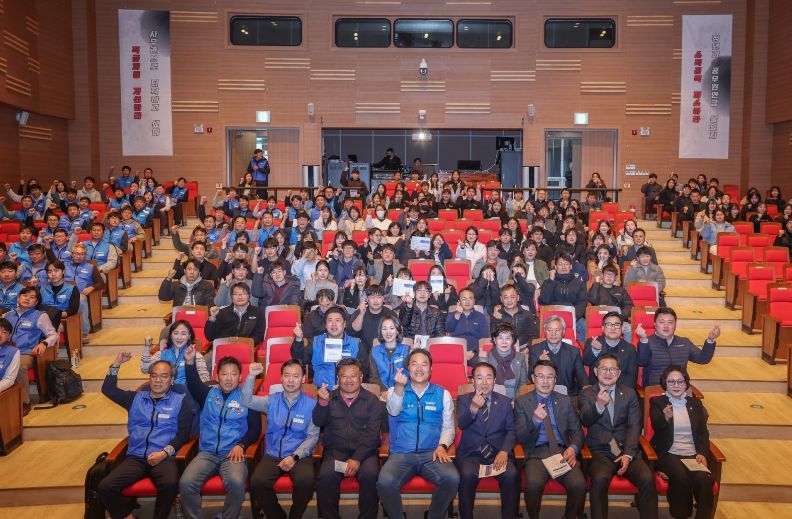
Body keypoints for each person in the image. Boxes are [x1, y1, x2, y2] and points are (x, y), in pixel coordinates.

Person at [98, 351, 194, 519]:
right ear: (149, 378)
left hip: (164, 456)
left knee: (169, 484)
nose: (158, 380)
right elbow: (108, 389)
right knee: (106, 486)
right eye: (154, 376)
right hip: (136, 457)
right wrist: (117, 363)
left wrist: (164, 453)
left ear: (171, 380)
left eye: (163, 376)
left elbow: (183, 434)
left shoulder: (181, 401)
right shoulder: (135, 399)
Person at [178, 347, 262, 519]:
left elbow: (255, 429)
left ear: (240, 377)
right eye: (224, 374)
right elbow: (193, 383)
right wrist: (190, 361)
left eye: (233, 374)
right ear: (217, 377)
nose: (229, 378)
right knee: (186, 483)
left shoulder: (247, 398)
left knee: (236, 483)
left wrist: (242, 445)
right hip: (207, 453)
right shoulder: (207, 394)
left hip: (233, 454)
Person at [377, 349, 459, 519]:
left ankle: (434, 516)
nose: (419, 369)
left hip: (432, 454)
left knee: (452, 478)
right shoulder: (395, 391)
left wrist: (442, 445)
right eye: (414, 364)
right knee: (385, 481)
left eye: (424, 364)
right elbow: (393, 410)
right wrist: (399, 388)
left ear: (431, 369)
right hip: (402, 454)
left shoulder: (442, 394)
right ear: (408, 368)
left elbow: (449, 427)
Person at [579, 353, 658, 519]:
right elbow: (585, 420)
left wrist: (628, 454)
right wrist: (599, 406)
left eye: (612, 369)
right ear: (596, 371)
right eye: (604, 369)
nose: (608, 373)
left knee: (647, 478)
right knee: (599, 479)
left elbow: (634, 426)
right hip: (600, 452)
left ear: (619, 373)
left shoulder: (629, 393)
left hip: (626, 450)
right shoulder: (587, 394)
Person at [242, 359, 319, 519]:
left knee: (306, 481)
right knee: (257, 481)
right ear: (281, 378)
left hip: (299, 455)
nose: (291, 380)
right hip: (273, 454)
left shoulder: (311, 405)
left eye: (295, 376)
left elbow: (313, 436)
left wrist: (295, 457)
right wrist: (250, 376)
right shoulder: (271, 400)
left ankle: (295, 516)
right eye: (287, 375)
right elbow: (246, 400)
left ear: (303, 379)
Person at [313, 359, 385, 519]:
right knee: (326, 477)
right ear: (337, 378)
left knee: (371, 475)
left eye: (353, 376)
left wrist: (357, 459)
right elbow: (318, 422)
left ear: (361, 377)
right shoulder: (329, 397)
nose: (348, 380)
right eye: (344, 376)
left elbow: (373, 435)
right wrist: (322, 402)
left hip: (365, 454)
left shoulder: (372, 401)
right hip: (335, 453)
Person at [514, 360, 586, 519]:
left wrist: (573, 448)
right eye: (541, 376)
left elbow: (577, 431)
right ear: (533, 378)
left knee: (579, 485)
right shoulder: (522, 402)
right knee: (533, 485)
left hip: (562, 453)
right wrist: (535, 420)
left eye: (550, 377)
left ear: (555, 379)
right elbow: (520, 436)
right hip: (536, 454)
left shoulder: (565, 400)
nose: (545, 381)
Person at [455, 362, 519, 519]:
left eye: (488, 377)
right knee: (467, 475)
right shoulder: (464, 400)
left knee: (511, 474)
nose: (484, 382)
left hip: (498, 453)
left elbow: (511, 430)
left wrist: (504, 451)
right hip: (471, 454)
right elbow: (462, 424)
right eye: (479, 378)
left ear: (494, 380)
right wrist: (473, 407)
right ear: (473, 381)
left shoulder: (505, 402)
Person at [650, 366, 715, 519]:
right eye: (671, 381)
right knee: (680, 477)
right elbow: (656, 426)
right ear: (665, 384)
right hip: (669, 453)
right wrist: (665, 417)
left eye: (680, 381)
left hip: (692, 454)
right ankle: (682, 514)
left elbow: (702, 433)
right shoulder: (658, 402)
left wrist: (702, 453)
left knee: (703, 479)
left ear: (686, 384)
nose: (676, 385)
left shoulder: (695, 403)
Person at [6, 287, 59, 413]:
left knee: (18, 366)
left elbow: (54, 335)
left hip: (25, 353)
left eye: (32, 297)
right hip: (6, 351)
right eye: (24, 295)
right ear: (18, 298)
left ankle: (25, 402)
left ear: (36, 302)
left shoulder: (40, 316)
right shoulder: (8, 315)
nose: (27, 299)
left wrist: (44, 343)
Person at [636, 307, 720, 387]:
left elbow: (703, 359)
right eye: (661, 322)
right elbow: (642, 362)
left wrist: (710, 340)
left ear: (675, 324)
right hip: (656, 388)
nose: (666, 326)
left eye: (670, 322)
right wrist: (644, 340)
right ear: (654, 324)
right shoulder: (647, 342)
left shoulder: (684, 342)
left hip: (681, 388)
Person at [294, 306, 361, 388]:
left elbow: (362, 370)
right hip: (321, 389)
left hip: (348, 389)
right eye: (330, 320)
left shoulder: (356, 344)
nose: (333, 324)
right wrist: (298, 339)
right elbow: (299, 359)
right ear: (325, 324)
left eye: (337, 320)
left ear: (344, 324)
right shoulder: (316, 342)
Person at [529, 316, 588, 400]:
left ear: (563, 332)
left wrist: (587, 389)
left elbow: (581, 375)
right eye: (549, 330)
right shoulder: (535, 350)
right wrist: (539, 364)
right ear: (545, 331)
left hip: (569, 396)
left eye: (557, 330)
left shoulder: (573, 351)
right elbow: (530, 376)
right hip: (544, 395)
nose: (553, 334)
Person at [348, 284, 397, 380]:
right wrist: (361, 314)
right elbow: (352, 332)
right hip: (363, 357)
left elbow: (398, 335)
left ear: (383, 299)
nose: (376, 301)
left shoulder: (390, 314)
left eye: (379, 297)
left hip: (385, 356)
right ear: (367, 299)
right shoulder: (359, 312)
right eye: (372, 297)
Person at [141, 320, 210, 386]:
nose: (179, 337)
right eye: (175, 333)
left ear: (189, 336)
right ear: (171, 335)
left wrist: (191, 385)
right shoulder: (161, 354)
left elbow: (205, 379)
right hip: (165, 391)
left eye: (183, 334)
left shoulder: (196, 356)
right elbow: (145, 370)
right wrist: (147, 348)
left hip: (186, 391)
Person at [538, 253, 588, 340]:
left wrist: (574, 317)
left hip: (573, 316)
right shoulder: (549, 282)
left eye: (566, 264)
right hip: (552, 316)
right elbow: (544, 300)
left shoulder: (578, 283)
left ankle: (578, 348)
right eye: (560, 264)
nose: (563, 266)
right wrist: (551, 281)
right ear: (556, 267)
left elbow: (582, 302)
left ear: (571, 266)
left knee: (585, 327)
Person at [583, 311, 638, 388]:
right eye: (609, 325)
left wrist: (621, 393)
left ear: (622, 329)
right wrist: (595, 350)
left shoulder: (630, 349)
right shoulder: (592, 342)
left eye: (617, 325)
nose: (613, 328)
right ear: (603, 328)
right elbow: (586, 362)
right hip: (596, 389)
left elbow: (631, 377)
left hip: (621, 390)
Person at [480, 322, 530, 399]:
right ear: (494, 340)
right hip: (492, 399)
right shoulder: (486, 356)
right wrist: (482, 360)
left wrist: (516, 401)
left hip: (514, 400)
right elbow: (482, 383)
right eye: (500, 338)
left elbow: (523, 384)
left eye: (507, 338)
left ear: (512, 340)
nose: (504, 342)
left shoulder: (520, 357)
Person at [445, 288, 490, 362]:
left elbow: (484, 338)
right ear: (459, 301)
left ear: (474, 301)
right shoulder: (452, 315)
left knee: (483, 364)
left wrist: (474, 352)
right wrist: (457, 315)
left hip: (475, 353)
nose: (467, 302)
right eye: (464, 299)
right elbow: (448, 329)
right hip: (456, 352)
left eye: (470, 298)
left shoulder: (480, 316)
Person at [489, 284, 539, 349]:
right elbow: (493, 337)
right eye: (506, 297)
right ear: (501, 299)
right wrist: (497, 320)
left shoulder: (527, 314)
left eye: (512, 297)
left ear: (518, 298)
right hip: (504, 349)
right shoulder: (496, 315)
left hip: (524, 348)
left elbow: (534, 335)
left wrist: (527, 349)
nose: (509, 300)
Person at [368, 315, 410, 392]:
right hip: (381, 393)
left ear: (397, 330)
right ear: (381, 331)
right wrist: (384, 392)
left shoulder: (406, 350)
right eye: (384, 329)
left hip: (403, 391)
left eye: (392, 328)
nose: (388, 332)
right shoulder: (374, 352)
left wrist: (399, 391)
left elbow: (410, 376)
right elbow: (373, 377)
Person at [399, 280, 446, 345]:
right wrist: (409, 305)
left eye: (425, 291)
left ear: (429, 295)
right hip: (411, 346)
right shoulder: (407, 309)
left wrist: (431, 346)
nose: (422, 294)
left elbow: (440, 335)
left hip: (430, 346)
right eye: (419, 291)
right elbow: (404, 324)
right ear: (414, 294)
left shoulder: (436, 313)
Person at [0, 318, 20, 392]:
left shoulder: (13, 352)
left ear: (9, 336)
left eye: (4, 332)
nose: (0, 335)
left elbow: (9, 379)